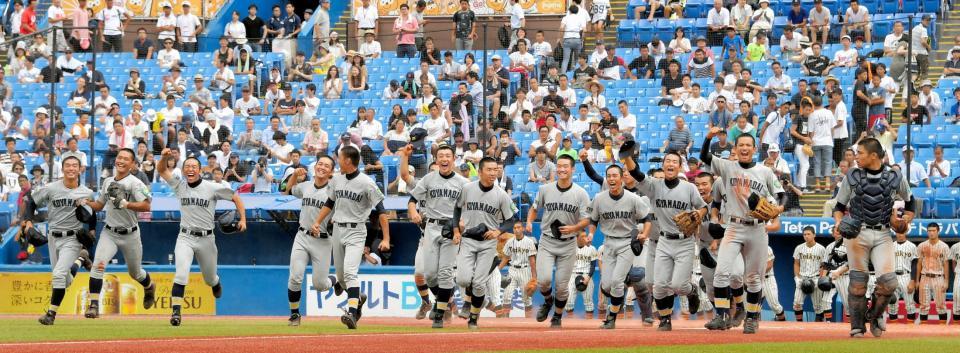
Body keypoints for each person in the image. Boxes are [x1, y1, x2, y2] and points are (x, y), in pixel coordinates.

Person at [699, 126, 786, 334]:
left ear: (755, 149)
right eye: (741, 145)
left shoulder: (765, 171)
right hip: (733, 226)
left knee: (754, 278)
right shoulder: (727, 167)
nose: (745, 148)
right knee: (721, 272)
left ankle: (752, 317)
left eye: (748, 145)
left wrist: (778, 208)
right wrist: (708, 137)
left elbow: (782, 194)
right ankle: (721, 315)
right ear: (735, 148)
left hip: (757, 228)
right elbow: (704, 156)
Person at [832, 137, 914, 337]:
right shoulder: (852, 175)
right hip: (857, 232)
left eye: (860, 153)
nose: (855, 157)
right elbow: (839, 206)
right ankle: (857, 327)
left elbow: (910, 203)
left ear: (874, 155)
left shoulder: (895, 176)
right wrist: (838, 222)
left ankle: (875, 315)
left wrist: (905, 221)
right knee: (858, 283)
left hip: (884, 232)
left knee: (889, 283)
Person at [157, 148, 245, 326]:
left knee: (209, 278)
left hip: (206, 239)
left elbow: (236, 197)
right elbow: (161, 170)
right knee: (181, 274)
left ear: (200, 170)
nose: (190, 169)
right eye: (187, 166)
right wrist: (165, 157)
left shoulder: (212, 187)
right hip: (185, 237)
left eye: (194, 166)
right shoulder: (179, 185)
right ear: (183, 170)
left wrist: (242, 218)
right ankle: (176, 313)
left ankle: (215, 282)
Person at [309, 147, 389, 329]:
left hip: (356, 230)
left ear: (347, 161)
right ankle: (358, 298)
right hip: (337, 229)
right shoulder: (337, 179)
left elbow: (382, 212)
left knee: (350, 272)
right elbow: (330, 202)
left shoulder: (367, 183)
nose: (337, 161)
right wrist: (318, 221)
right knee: (341, 276)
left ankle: (352, 314)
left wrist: (385, 238)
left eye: (340, 158)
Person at [79, 148, 156, 319]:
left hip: (130, 234)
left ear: (132, 164)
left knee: (135, 273)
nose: (121, 161)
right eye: (119, 157)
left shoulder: (135, 183)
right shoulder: (107, 181)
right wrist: (86, 202)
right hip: (110, 232)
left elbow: (147, 205)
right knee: (98, 265)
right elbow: (99, 205)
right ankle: (93, 306)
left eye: (126, 159)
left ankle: (149, 286)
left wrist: (126, 204)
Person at [449, 157, 516, 329]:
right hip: (468, 241)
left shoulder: (501, 194)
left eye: (496, 170)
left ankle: (473, 317)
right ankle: (475, 301)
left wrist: (498, 231)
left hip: (487, 244)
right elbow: (457, 209)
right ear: (479, 172)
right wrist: (456, 230)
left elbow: (511, 220)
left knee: (478, 284)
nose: (494, 173)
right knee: (463, 280)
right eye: (489, 170)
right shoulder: (467, 188)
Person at [27, 156, 93, 325]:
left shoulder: (86, 192)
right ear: (62, 169)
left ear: (80, 169)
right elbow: (31, 201)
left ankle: (51, 314)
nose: (71, 168)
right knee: (65, 281)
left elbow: (92, 214)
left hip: (72, 237)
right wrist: (27, 222)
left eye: (75, 166)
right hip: (53, 237)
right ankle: (81, 259)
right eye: (68, 165)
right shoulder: (50, 188)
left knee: (58, 275)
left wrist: (91, 231)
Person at [590, 164, 651, 330]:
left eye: (615, 175)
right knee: (607, 285)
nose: (611, 178)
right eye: (608, 176)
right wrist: (590, 234)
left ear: (621, 178)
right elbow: (593, 219)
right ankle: (628, 278)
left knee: (616, 282)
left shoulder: (633, 199)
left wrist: (644, 234)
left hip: (626, 242)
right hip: (609, 242)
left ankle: (611, 317)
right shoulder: (599, 198)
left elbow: (647, 218)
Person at [281, 154, 337, 326]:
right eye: (320, 164)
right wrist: (294, 176)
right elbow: (287, 190)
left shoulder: (334, 191)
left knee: (320, 284)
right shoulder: (305, 186)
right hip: (302, 236)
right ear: (315, 167)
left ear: (331, 172)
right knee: (295, 277)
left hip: (323, 240)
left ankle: (335, 281)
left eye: (326, 166)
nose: (322, 167)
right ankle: (295, 314)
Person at [916, 223, 951, 323]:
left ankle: (943, 332)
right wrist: (917, 280)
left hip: (938, 277)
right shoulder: (922, 245)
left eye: (933, 231)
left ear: (938, 231)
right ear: (927, 231)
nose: (931, 233)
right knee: (923, 306)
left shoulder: (944, 246)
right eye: (929, 231)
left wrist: (946, 281)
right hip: (925, 277)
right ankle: (923, 332)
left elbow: (946, 264)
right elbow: (919, 263)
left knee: (941, 305)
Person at [792, 226, 827, 321]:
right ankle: (800, 325)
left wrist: (821, 278)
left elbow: (824, 265)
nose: (806, 236)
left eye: (808, 234)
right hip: (802, 277)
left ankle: (817, 327)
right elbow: (796, 263)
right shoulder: (799, 248)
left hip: (815, 278)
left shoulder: (821, 248)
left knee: (818, 307)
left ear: (814, 235)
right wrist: (797, 277)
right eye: (804, 234)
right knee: (797, 303)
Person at [559, 5, 585, 73]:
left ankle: (563, 75)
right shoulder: (580, 18)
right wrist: (582, 39)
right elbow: (584, 30)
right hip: (577, 39)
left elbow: (561, 28)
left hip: (567, 39)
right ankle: (577, 75)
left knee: (565, 60)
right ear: (577, 11)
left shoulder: (565, 18)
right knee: (577, 59)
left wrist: (561, 38)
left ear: (569, 11)